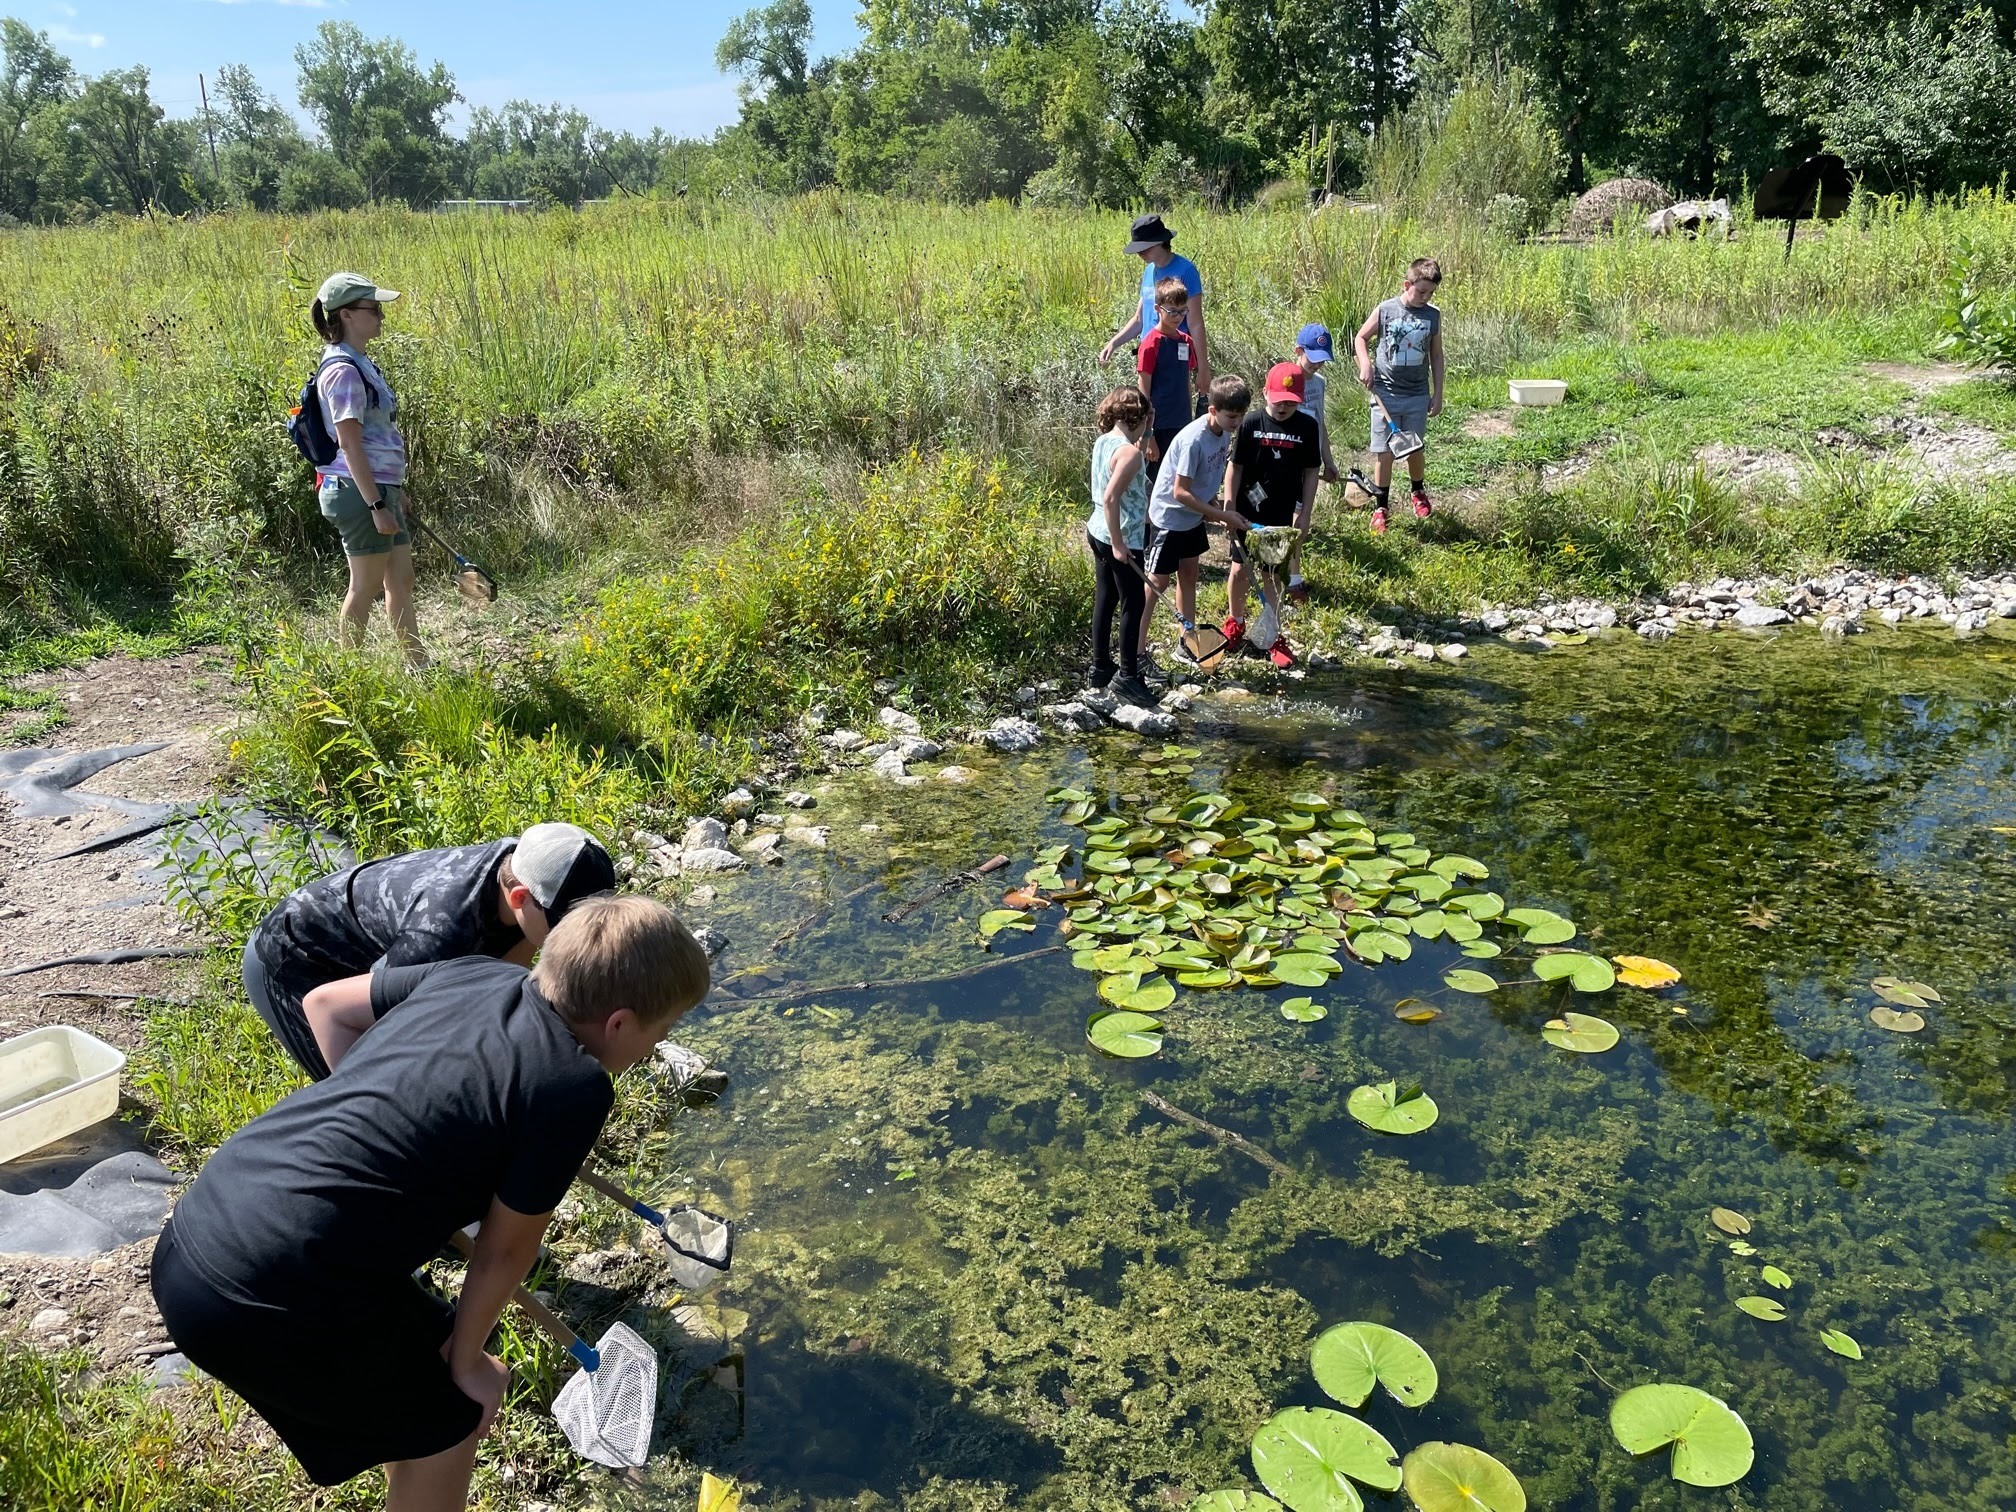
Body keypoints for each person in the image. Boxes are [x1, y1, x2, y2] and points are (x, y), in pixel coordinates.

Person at [151, 895, 710, 1512]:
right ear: (621, 1023)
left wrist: (396, 1136)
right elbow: (505, 1250)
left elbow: (330, 1005)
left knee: (436, 1401)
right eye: (663, 1030)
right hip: (269, 1295)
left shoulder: (474, 972)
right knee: (457, 1415)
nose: (656, 1045)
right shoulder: (574, 1087)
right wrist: (463, 1365)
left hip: (201, 1224)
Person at [242, 823, 617, 1081]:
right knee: (365, 1093)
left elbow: (503, 987)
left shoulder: (530, 865)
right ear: (519, 897)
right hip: (295, 960)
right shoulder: (439, 935)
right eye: (563, 926)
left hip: (377, 946)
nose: (574, 941)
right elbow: (383, 1028)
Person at [311, 271, 423, 665]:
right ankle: (350, 674)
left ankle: (417, 664)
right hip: (357, 493)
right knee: (366, 586)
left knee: (401, 579)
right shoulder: (342, 370)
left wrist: (394, 492)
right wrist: (376, 505)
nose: (380, 316)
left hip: (379, 488)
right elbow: (349, 442)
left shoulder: (361, 362)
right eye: (372, 309)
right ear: (345, 315)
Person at [1143, 375, 1251, 659]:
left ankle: (1186, 640)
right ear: (1212, 410)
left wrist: (1216, 506)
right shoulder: (1194, 441)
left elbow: (1205, 480)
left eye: (1240, 416)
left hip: (1193, 516)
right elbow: (1180, 492)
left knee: (1189, 573)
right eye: (1231, 416)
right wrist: (1219, 514)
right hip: (1170, 518)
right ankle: (1135, 644)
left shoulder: (1224, 432)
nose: (1236, 422)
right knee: (1157, 582)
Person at [1223, 364, 1322, 669]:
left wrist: (1304, 513)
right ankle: (1235, 622)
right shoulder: (1251, 422)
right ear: (1265, 393)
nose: (1283, 407)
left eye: (1291, 401)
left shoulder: (1307, 427)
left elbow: (1310, 472)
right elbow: (1235, 467)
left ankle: (1273, 635)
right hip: (1246, 511)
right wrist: (1228, 505)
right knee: (1240, 570)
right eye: (1278, 400)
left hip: (1280, 513)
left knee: (1271, 575)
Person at [1353, 258, 1444, 534]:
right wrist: (1366, 364)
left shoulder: (1432, 315)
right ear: (1408, 284)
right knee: (1384, 451)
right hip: (1385, 394)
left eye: (1430, 293)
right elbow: (1360, 338)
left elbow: (1436, 354)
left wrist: (1438, 393)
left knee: (1415, 447)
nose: (1425, 297)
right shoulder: (1386, 310)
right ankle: (1381, 506)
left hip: (1416, 394)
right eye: (1421, 292)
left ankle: (1417, 492)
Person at [1086, 387, 1157, 706]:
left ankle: (1100, 667)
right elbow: (1111, 497)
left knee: (1106, 597)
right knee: (1133, 603)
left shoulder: (1105, 441)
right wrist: (1118, 544)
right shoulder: (1129, 453)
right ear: (1139, 419)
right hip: (1121, 537)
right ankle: (1128, 677)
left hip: (1096, 529)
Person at [1098, 213, 1210, 397]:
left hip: (1174, 353)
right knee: (1145, 406)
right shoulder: (1149, 271)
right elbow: (1139, 319)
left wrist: (1203, 368)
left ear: (1160, 242)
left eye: (1145, 248)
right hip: (1149, 352)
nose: (1140, 254)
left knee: (1174, 410)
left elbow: (1195, 323)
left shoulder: (1186, 271)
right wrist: (1113, 343)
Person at [1287, 323, 1342, 603]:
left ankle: (1292, 576)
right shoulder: (1285, 378)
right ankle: (1285, 575)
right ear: (1298, 351)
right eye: (1313, 358)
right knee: (1287, 519)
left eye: (1323, 360)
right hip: (1286, 462)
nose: (1318, 365)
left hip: (1310, 462)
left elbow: (1320, 422)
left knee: (1302, 520)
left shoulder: (1319, 384)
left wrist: (1328, 461)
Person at [1136, 277, 1199, 478]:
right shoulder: (1151, 343)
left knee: (1178, 476)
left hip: (1181, 421)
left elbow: (1186, 383)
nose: (1178, 317)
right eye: (1172, 311)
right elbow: (1143, 389)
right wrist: (1148, 433)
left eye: (1183, 311)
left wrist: (1189, 420)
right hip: (1159, 424)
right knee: (1156, 480)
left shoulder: (1186, 341)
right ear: (1158, 308)